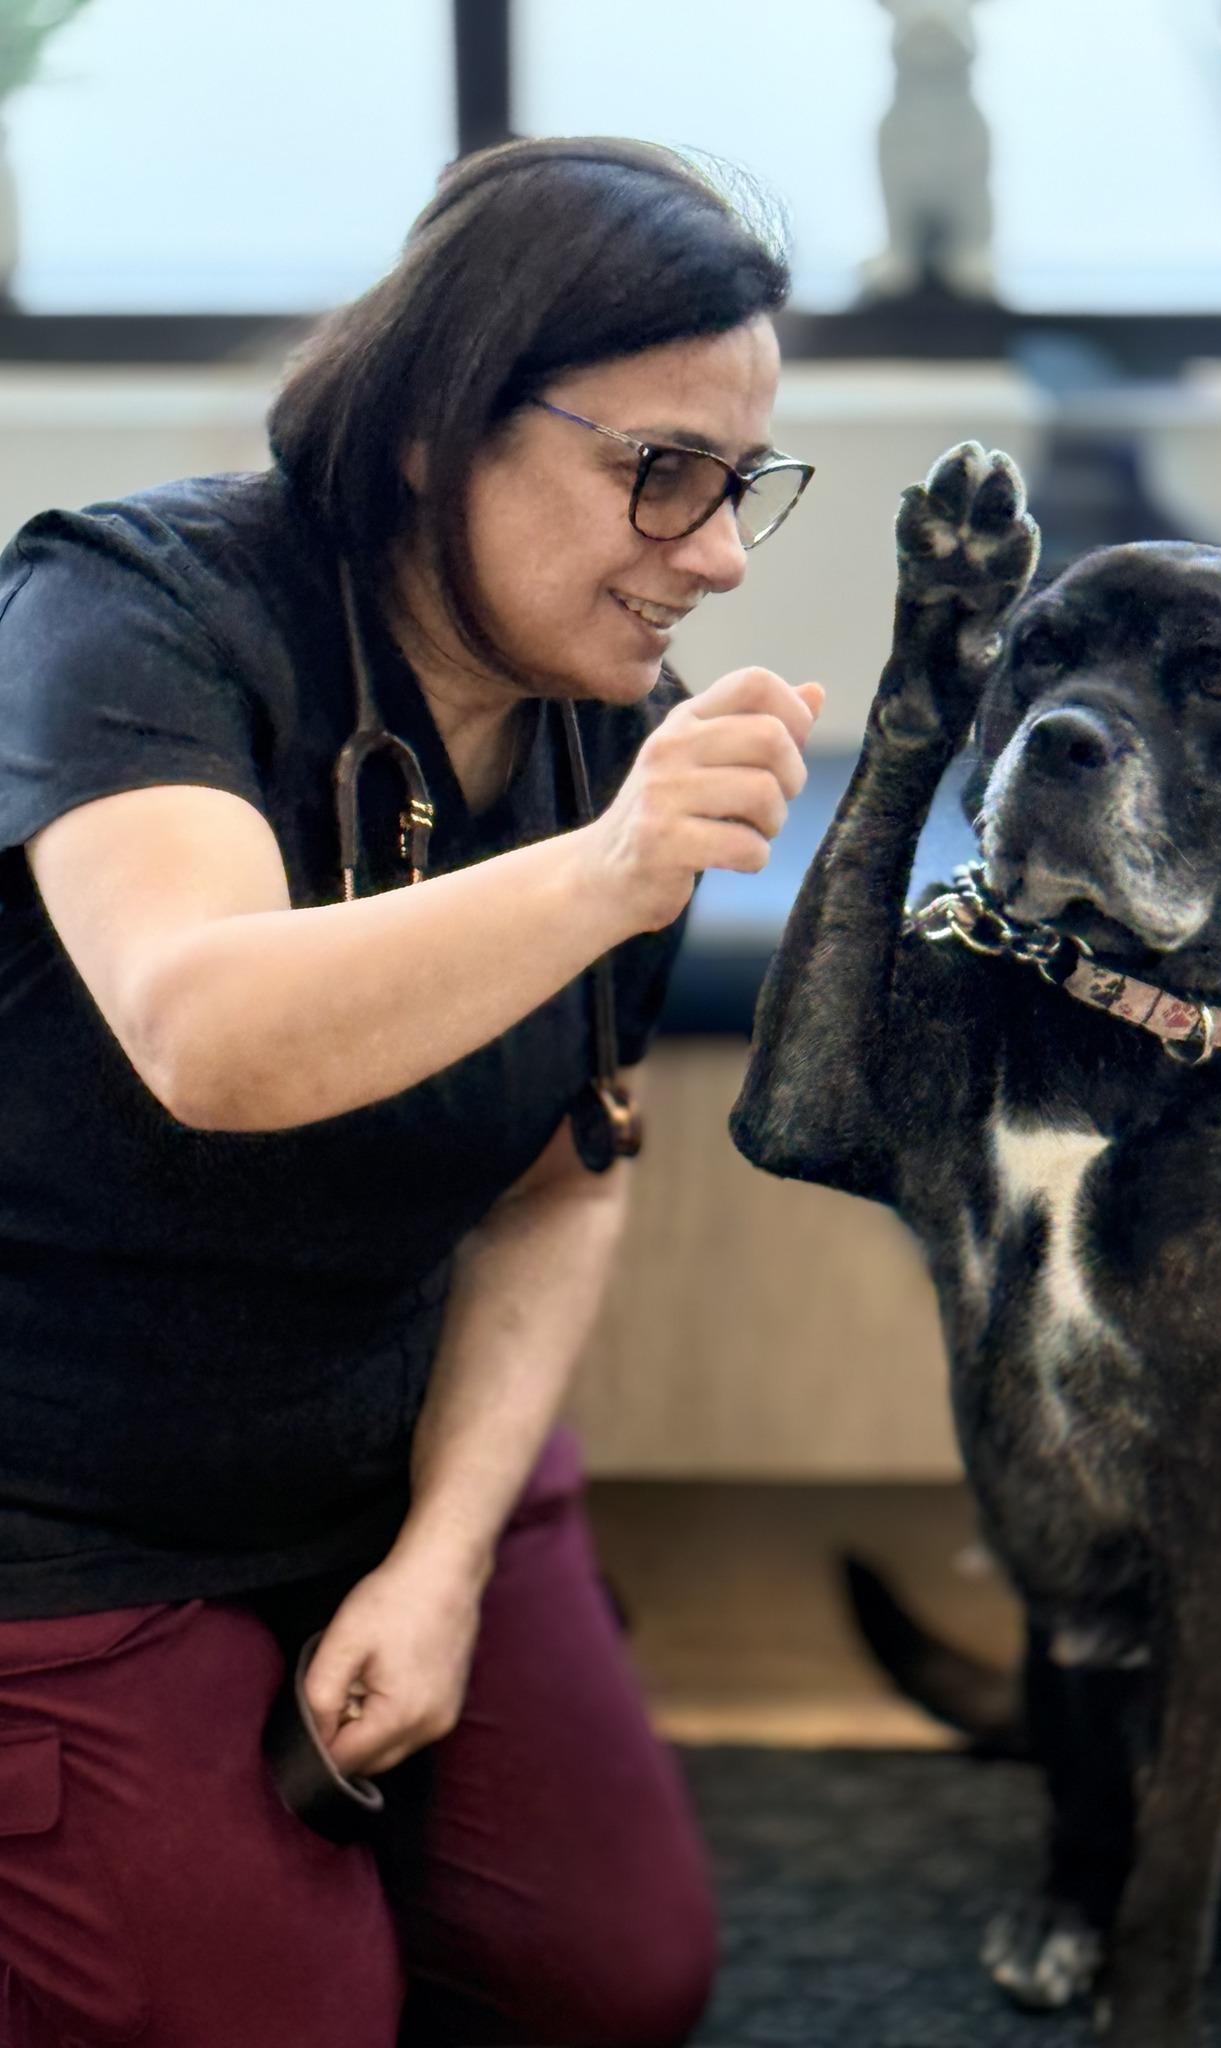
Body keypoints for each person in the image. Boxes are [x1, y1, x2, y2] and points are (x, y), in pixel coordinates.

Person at [0, 136, 824, 2048]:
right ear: (442, 428)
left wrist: (443, 1560)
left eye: (740, 484)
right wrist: (612, 867)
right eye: (661, 472)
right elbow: (206, 1033)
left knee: (610, 1981)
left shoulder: (606, 737)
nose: (710, 550)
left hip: (382, 1431)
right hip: (65, 1491)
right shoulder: (128, 610)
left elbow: (567, 1176)